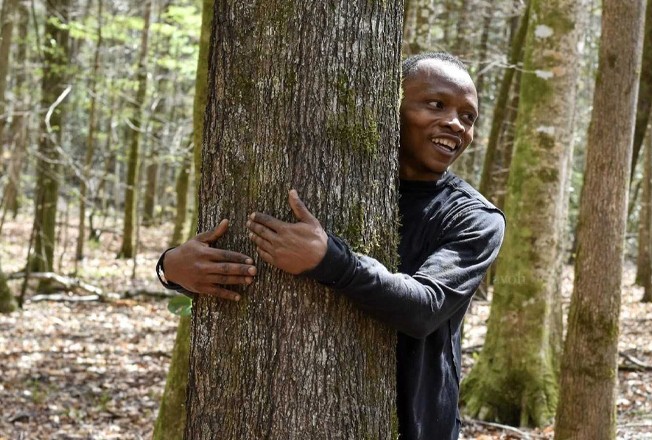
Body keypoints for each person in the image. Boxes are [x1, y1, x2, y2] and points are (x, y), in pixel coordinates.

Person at [156, 52, 505, 440]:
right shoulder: (323, 172)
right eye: (436, 104)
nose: (455, 124)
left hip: (416, 427)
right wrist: (171, 267)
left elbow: (425, 308)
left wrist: (333, 262)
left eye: (468, 117)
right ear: (391, 104)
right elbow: (232, 255)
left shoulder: (475, 218)